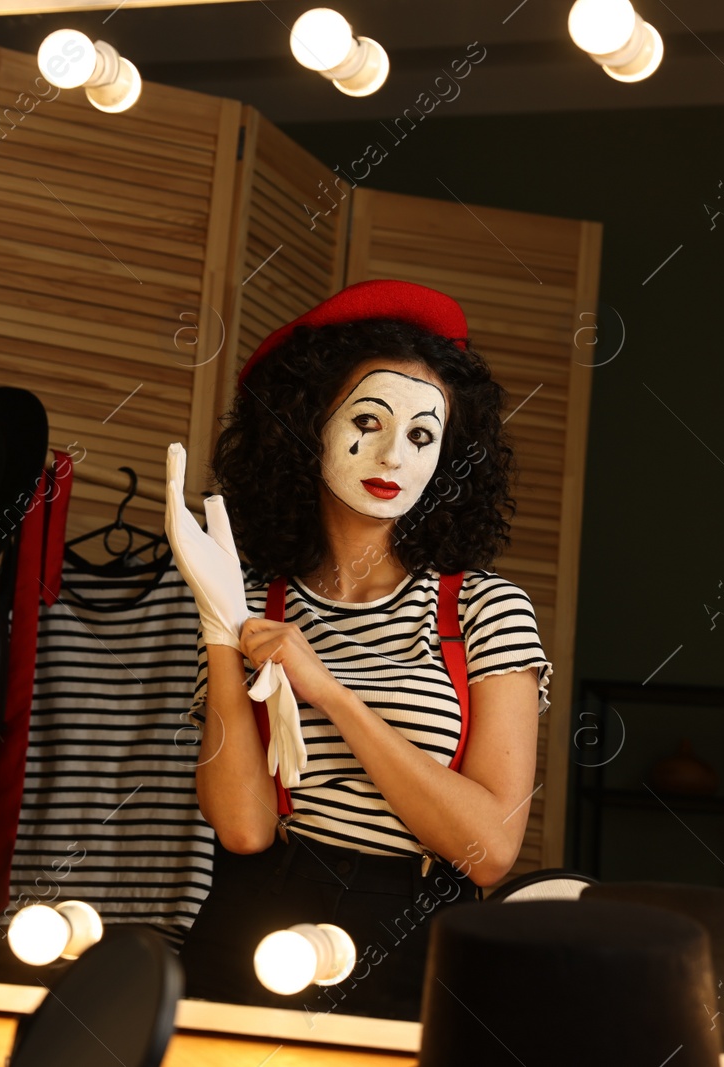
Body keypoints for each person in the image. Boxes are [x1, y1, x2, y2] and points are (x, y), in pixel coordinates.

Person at [166, 280, 551, 1021]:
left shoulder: (484, 609)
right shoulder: (253, 601)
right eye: (366, 421)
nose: (390, 454)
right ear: (307, 428)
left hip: (407, 941)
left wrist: (331, 692)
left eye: (420, 435)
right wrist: (220, 626)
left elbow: (489, 852)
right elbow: (244, 828)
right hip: (252, 923)